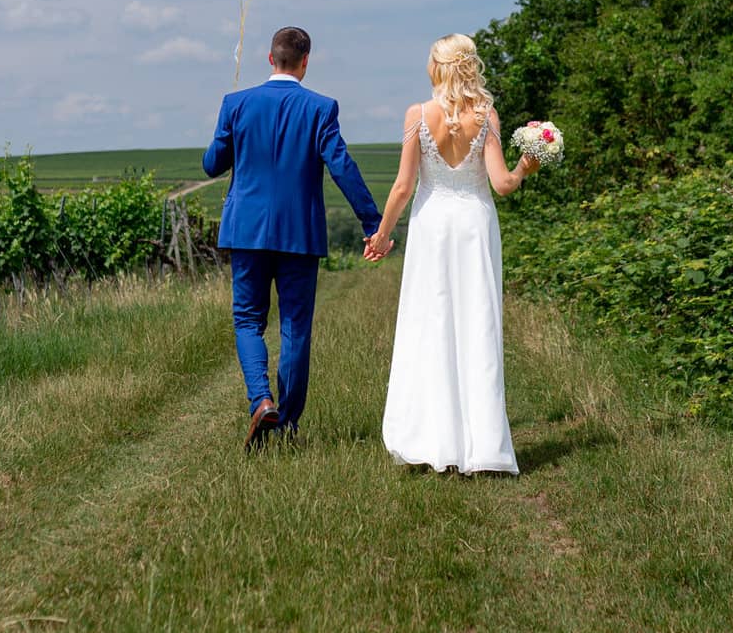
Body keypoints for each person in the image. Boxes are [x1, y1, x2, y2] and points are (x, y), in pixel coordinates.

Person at [204, 26, 385, 450]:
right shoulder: (321, 108)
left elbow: (212, 164)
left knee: (248, 319)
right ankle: (286, 424)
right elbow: (343, 167)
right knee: (294, 326)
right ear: (306, 61)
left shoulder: (236, 104)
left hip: (246, 233)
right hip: (300, 235)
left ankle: (260, 399)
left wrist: (224, 134)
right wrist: (371, 223)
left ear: (270, 59)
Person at [367, 34, 537, 474]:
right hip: (475, 226)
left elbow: (404, 187)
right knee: (477, 323)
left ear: (437, 67)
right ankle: (482, 448)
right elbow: (502, 185)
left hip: (433, 227)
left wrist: (383, 234)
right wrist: (525, 166)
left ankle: (430, 438)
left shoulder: (417, 115)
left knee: (430, 324)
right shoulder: (487, 116)